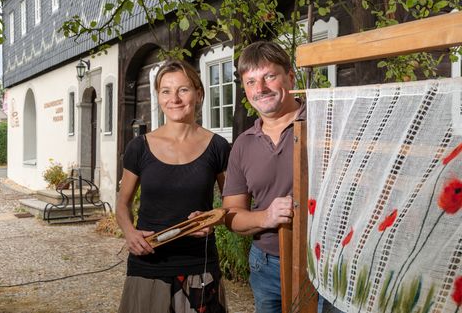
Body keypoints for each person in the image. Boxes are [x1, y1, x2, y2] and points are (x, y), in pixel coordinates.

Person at [222, 41, 340, 313]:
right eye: (251, 82)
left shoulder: (326, 122)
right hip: (266, 267)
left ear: (290, 76)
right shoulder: (243, 143)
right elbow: (231, 215)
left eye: (269, 77)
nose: (260, 89)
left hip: (326, 263)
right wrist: (266, 217)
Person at [116, 59, 231, 313]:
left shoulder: (218, 147)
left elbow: (231, 206)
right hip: (148, 265)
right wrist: (130, 232)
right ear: (158, 97)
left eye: (183, 89)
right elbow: (122, 203)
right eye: (166, 91)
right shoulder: (139, 147)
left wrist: (213, 219)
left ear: (198, 93)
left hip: (198, 265)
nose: (174, 98)